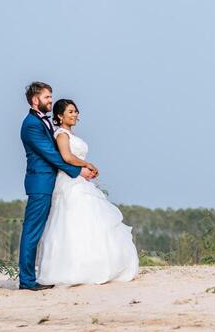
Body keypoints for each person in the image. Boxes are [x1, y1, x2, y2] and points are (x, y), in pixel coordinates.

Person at [36, 98, 139, 285]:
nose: (75, 115)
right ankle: (70, 269)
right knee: (70, 222)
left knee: (89, 221)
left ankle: (94, 265)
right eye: (70, 112)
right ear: (60, 115)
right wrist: (87, 164)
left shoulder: (71, 134)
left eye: (76, 111)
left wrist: (86, 170)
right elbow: (67, 157)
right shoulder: (61, 135)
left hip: (80, 179)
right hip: (69, 181)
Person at [18, 82, 97, 291]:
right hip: (40, 183)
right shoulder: (31, 124)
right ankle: (26, 281)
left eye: (51, 98)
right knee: (32, 231)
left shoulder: (44, 122)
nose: (50, 101)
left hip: (52, 183)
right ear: (35, 100)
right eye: (46, 98)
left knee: (48, 230)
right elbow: (51, 154)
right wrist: (78, 170)